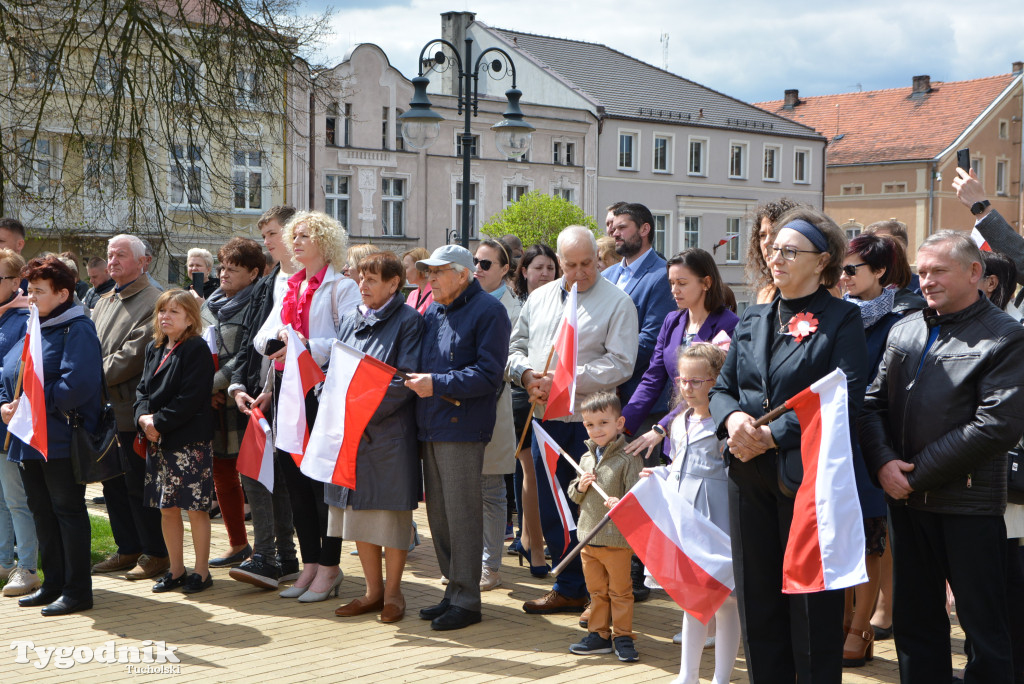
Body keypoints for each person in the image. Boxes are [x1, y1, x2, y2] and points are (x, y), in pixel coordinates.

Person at [709, 207, 868, 682]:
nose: (776, 258)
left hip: (806, 482)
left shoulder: (841, 320)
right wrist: (734, 419)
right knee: (758, 599)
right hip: (746, 474)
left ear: (822, 262)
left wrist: (771, 436)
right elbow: (723, 389)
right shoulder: (754, 315)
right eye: (774, 248)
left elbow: (844, 396)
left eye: (790, 251)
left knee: (808, 604)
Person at [859, 230, 1024, 683]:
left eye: (938, 271)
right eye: (922, 271)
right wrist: (884, 464)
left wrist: (914, 475)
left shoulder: (1006, 337)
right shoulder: (906, 327)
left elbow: (996, 424)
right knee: (915, 624)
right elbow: (873, 405)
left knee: (983, 628)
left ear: (976, 273)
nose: (926, 280)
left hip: (967, 505)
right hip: (905, 503)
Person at [508, 225, 638, 616]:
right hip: (546, 416)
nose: (580, 272)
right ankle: (569, 588)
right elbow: (516, 347)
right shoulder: (541, 296)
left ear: (598, 258)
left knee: (592, 512)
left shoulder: (618, 302)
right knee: (553, 508)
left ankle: (602, 597)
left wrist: (568, 377)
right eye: (571, 264)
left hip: (591, 426)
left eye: (587, 263)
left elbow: (622, 363)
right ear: (559, 262)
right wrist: (527, 375)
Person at [254, 211, 360, 602]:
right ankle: (310, 563)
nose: (294, 242)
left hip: (321, 390)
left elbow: (346, 342)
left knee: (321, 483)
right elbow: (263, 335)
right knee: (294, 478)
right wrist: (278, 342)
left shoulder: (341, 288)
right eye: (293, 235)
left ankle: (330, 566)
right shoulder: (289, 286)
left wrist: (300, 345)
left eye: (304, 236)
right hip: (288, 387)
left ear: (324, 242)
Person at [405, 244, 510, 631]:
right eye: (427, 272)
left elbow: (488, 375)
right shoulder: (435, 308)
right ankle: (454, 590)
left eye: (437, 272)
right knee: (440, 516)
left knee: (463, 515)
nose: (428, 279)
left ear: (462, 275)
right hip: (431, 423)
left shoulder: (489, 311)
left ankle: (468, 600)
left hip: (462, 426)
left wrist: (435, 383)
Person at [0, 255, 103, 616]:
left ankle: (77, 590)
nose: (30, 296)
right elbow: (10, 373)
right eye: (28, 289)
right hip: (29, 437)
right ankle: (53, 583)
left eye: (38, 291)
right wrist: (5, 405)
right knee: (42, 512)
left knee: (67, 512)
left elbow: (79, 383)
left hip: (59, 438)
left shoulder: (77, 328)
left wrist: (33, 403)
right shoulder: (35, 324)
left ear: (62, 294)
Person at [836, 232, 920, 667]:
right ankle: (845, 616)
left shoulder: (902, 317)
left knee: (870, 539)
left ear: (881, 271)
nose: (843, 277)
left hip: (872, 438)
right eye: (841, 269)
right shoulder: (835, 313)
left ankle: (860, 627)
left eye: (852, 269)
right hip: (835, 439)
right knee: (839, 535)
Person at [326, 251, 424, 623]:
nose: (362, 285)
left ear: (394, 283)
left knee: (389, 517)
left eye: (371, 279)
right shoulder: (351, 319)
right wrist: (328, 395)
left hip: (387, 434)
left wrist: (363, 409)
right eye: (360, 278)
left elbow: (405, 379)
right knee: (357, 513)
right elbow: (338, 365)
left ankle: (394, 593)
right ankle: (371, 592)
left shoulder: (408, 321)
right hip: (350, 432)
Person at [641, 343, 740, 684]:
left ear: (718, 381)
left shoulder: (726, 423)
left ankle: (722, 677)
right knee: (693, 598)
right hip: (686, 515)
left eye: (698, 381)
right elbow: (679, 466)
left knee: (727, 600)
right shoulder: (679, 421)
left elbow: (732, 472)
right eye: (683, 380)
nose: (687, 388)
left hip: (717, 515)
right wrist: (659, 475)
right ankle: (688, 674)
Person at [228, 206, 300, 590]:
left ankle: (273, 556)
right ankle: (278, 556)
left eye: (272, 234)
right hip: (258, 393)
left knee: (281, 479)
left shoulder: (309, 283)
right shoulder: (268, 284)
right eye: (266, 235)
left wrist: (272, 391)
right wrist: (238, 385)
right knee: (257, 474)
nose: (267, 242)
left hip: (291, 395)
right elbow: (247, 342)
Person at [91, 234, 169, 580]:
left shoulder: (154, 300)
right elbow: (90, 346)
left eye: (121, 255)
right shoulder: (104, 298)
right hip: (102, 409)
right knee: (112, 485)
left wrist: (86, 376)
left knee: (139, 485)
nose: (113, 261)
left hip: (129, 409)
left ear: (144, 262)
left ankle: (156, 552)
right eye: (110, 255)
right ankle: (128, 548)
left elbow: (131, 357)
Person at [622, 248, 739, 466]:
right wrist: (622, 423)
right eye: (672, 283)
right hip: (676, 434)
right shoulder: (672, 321)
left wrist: (661, 426)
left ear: (706, 282)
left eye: (682, 283)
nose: (674, 290)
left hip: (709, 435)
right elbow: (653, 377)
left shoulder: (729, 325)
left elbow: (709, 388)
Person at [135, 290, 216, 594]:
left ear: (190, 319)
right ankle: (177, 570)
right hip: (158, 440)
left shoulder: (195, 349)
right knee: (166, 508)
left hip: (188, 441)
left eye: (174, 312)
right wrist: (144, 420)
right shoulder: (153, 348)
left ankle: (202, 572)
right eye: (162, 311)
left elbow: (191, 397)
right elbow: (141, 391)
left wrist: (158, 422)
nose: (165, 317)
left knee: (195, 508)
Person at [202, 238, 265, 569]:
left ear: (253, 273)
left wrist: (212, 386)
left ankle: (268, 549)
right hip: (211, 406)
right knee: (221, 473)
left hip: (242, 401)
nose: (224, 274)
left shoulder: (258, 304)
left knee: (253, 476)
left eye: (234, 269)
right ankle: (237, 544)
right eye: (222, 266)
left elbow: (245, 355)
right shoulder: (209, 304)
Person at [566, 391, 642, 663]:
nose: (596, 430)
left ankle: (622, 635)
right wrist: (580, 485)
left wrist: (620, 503)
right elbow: (574, 496)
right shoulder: (585, 458)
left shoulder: (629, 457)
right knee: (596, 592)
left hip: (617, 540)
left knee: (620, 592)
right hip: (587, 538)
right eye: (589, 424)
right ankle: (599, 635)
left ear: (619, 423)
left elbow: (636, 498)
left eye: (603, 423)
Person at [473, 239, 520, 591]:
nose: (478, 269)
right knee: (467, 489)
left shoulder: (513, 308)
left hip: (496, 404)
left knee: (491, 488)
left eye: (486, 264)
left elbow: (510, 359)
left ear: (506, 269)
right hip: (462, 406)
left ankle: (492, 566)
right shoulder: (468, 302)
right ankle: (471, 560)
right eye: (475, 261)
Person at [603, 203, 676, 407]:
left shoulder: (663, 276)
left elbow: (651, 340)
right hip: (603, 399)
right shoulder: (606, 276)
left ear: (644, 229)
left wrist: (610, 372)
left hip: (641, 400)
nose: (615, 234)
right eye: (613, 228)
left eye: (622, 228)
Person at [0, 249, 37, 597]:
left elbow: (16, 371)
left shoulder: (23, 318)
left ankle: (27, 567)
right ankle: (3, 562)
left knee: (16, 500)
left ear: (15, 283)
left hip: (8, 426)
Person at [744, 198, 804, 304]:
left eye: (774, 233)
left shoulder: (817, 289)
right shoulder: (766, 293)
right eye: (762, 235)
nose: (766, 242)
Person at [403, 247, 433, 314]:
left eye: (406, 267)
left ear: (419, 266)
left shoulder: (435, 294)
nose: (403, 272)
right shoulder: (412, 294)